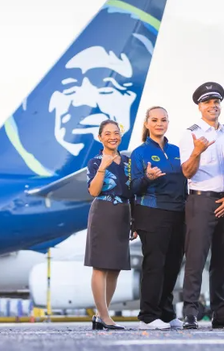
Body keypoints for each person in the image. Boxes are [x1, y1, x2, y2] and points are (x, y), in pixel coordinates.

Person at [179, 81, 224, 329]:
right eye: (207, 102)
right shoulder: (191, 134)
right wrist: (197, 152)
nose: (213, 106)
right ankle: (190, 312)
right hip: (201, 200)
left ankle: (221, 312)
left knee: (223, 260)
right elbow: (186, 172)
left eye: (216, 102)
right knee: (196, 258)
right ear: (199, 107)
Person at [129, 106, 186, 330]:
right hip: (151, 213)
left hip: (178, 213)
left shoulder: (177, 151)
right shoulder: (140, 153)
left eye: (163, 120)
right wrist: (148, 178)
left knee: (173, 265)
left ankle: (166, 312)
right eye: (154, 120)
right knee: (155, 264)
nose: (159, 123)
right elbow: (133, 187)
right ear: (147, 124)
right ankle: (148, 316)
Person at [85, 119, 134, 331]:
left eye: (116, 133)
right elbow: (93, 191)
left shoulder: (127, 162)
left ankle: (100, 315)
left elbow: (132, 192)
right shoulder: (95, 162)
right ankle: (105, 316)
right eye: (107, 133)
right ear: (100, 137)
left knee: (115, 267)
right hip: (103, 212)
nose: (112, 136)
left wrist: (134, 221)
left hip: (123, 213)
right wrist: (103, 168)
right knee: (100, 265)